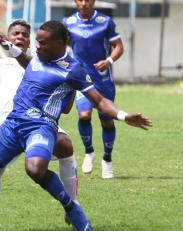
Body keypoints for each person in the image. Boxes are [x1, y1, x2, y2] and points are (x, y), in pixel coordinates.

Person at [0, 20, 151, 231]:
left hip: (41, 126)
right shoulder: (37, 58)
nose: (37, 45)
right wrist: (9, 46)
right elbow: (28, 61)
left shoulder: (73, 69)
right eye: (36, 41)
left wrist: (123, 116)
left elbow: (100, 101)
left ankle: (71, 206)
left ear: (59, 43)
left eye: (42, 42)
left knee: (35, 168)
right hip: (11, 125)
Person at [0, 7, 78, 231]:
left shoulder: (44, 66)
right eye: (16, 33)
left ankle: (72, 207)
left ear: (32, 43)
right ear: (7, 39)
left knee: (66, 144)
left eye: (25, 35)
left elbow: (68, 108)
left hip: (41, 125)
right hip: (7, 128)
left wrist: (71, 82)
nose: (20, 37)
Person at [63, 0, 124, 179]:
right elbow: (60, 46)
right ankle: (89, 153)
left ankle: (107, 160)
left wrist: (109, 61)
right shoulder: (68, 23)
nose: (84, 3)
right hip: (81, 78)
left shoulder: (105, 22)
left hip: (103, 80)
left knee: (106, 120)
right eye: (80, 0)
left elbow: (119, 46)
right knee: (84, 115)